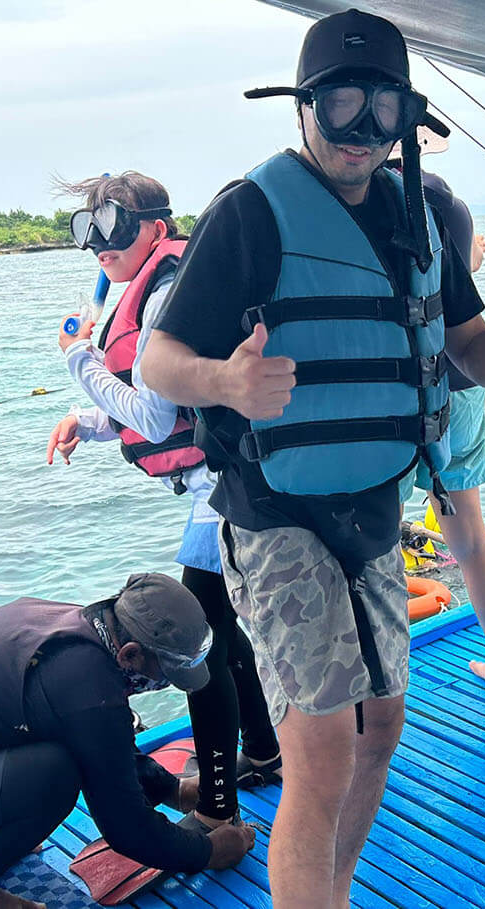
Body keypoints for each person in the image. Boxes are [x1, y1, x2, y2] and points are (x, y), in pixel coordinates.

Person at [140, 9, 485, 908]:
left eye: (384, 108)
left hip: (376, 509)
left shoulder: (415, 212)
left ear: (407, 119)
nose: (361, 130)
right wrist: (224, 382)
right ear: (302, 106)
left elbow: (467, 341)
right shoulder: (250, 212)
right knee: (320, 752)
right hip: (275, 513)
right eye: (340, 103)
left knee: (380, 726)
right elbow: (158, 359)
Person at [47, 171, 282, 829]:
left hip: (226, 485)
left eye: (113, 226)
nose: (100, 244)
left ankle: (216, 811)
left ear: (156, 227)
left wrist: (78, 359)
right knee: (221, 631)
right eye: (87, 229)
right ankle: (264, 751)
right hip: (226, 476)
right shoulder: (158, 288)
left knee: (200, 645)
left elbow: (152, 419)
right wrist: (87, 420)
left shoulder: (163, 296)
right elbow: (164, 412)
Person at [0, 573, 257, 908]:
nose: (166, 684)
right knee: (54, 776)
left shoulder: (80, 629)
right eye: (167, 675)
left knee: (55, 745)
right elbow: (128, 830)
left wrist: (173, 790)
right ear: (129, 655)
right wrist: (210, 852)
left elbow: (96, 738)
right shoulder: (84, 685)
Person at [393, 161, 485, 699]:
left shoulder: (367, 201)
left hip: (394, 389)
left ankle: (380, 692)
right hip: (461, 383)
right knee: (469, 538)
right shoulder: (448, 204)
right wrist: (472, 259)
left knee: (374, 538)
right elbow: (452, 290)